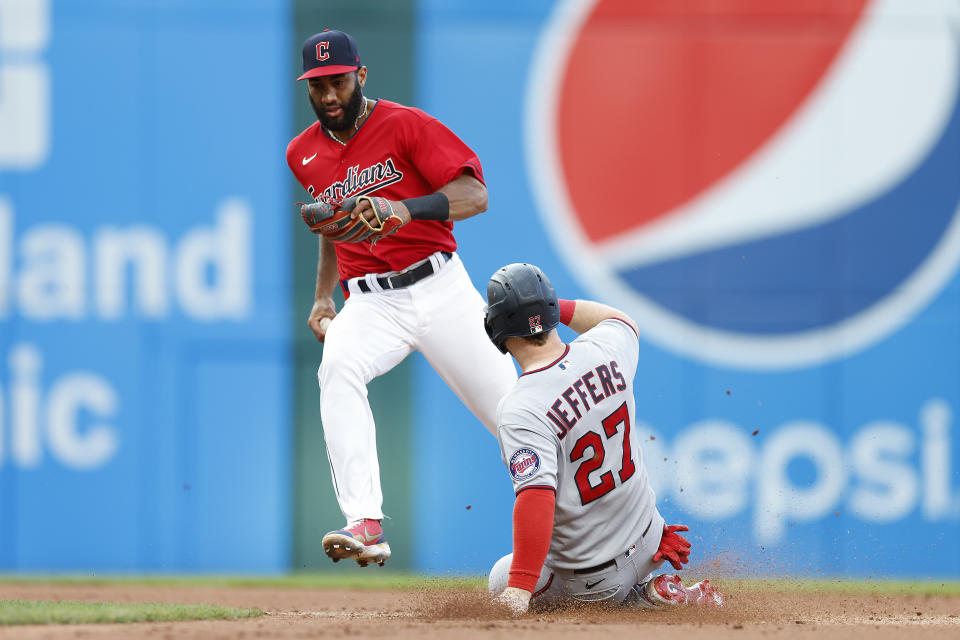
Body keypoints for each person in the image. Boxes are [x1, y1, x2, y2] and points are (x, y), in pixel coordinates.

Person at [286, 29, 518, 567]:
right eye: (316, 85)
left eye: (337, 82)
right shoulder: (303, 153)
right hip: (371, 301)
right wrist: (324, 297)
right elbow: (330, 221)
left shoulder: (405, 125)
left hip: (440, 288)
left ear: (360, 76)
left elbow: (475, 196)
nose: (327, 96)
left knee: (515, 415)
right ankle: (365, 521)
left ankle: (598, 524)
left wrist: (404, 210)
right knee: (337, 364)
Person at [482, 263, 725, 614]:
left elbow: (536, 497)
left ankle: (638, 601)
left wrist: (520, 589)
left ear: (497, 328)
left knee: (501, 578)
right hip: (650, 542)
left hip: (594, 583)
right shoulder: (604, 349)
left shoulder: (521, 406)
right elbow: (621, 320)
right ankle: (652, 585)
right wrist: (545, 304)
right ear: (551, 311)